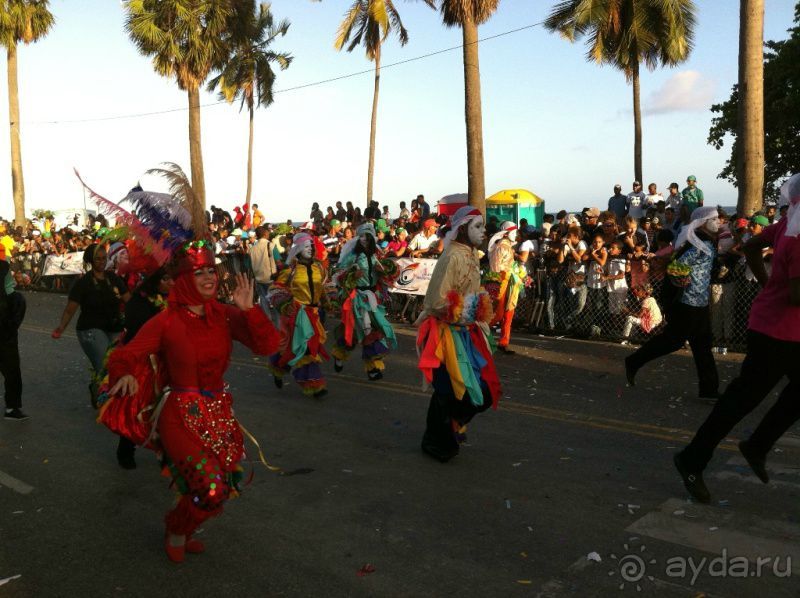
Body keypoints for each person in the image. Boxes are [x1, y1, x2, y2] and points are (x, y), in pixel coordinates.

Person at [107, 242, 280, 563]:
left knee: (217, 487)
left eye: (211, 271)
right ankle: (176, 529)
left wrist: (248, 310)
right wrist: (125, 373)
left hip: (218, 413)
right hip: (178, 415)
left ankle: (183, 529)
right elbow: (125, 354)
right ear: (184, 279)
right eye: (199, 273)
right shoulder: (167, 320)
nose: (209, 277)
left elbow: (268, 344)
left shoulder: (223, 315)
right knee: (210, 486)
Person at [674, 174, 800, 503]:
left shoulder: (788, 224)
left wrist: (767, 285)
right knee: (739, 402)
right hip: (778, 333)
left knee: (753, 397)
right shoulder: (797, 234)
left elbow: (753, 246)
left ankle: (757, 445)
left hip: (782, 329)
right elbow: (797, 295)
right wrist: (770, 286)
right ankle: (694, 458)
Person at [417, 206, 501, 462]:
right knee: (446, 390)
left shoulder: (472, 254)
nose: (483, 231)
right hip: (445, 334)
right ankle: (436, 441)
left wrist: (480, 306)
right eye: (477, 226)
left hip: (466, 333)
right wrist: (463, 311)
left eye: (483, 226)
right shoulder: (452, 256)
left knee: (481, 389)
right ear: (463, 229)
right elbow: (435, 301)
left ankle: (450, 427)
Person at [625, 206, 720, 399]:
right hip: (687, 303)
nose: (718, 222)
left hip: (700, 303)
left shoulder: (706, 242)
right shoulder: (699, 244)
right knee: (673, 341)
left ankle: (709, 390)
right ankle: (634, 361)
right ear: (702, 223)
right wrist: (683, 280)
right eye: (714, 219)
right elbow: (676, 267)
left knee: (702, 345)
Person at [52, 244, 131, 405]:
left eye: (104, 258)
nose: (102, 262)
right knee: (104, 365)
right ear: (90, 261)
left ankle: (104, 392)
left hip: (114, 327)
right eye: (98, 259)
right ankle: (103, 398)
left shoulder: (113, 278)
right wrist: (61, 327)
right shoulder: (83, 283)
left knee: (119, 364)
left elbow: (128, 300)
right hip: (91, 328)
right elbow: (70, 309)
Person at [331, 223, 398, 380]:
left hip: (373, 297)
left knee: (367, 330)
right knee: (367, 329)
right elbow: (337, 273)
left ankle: (348, 358)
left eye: (368, 237)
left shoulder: (376, 256)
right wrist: (352, 275)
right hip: (358, 298)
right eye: (362, 237)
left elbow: (389, 272)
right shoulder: (353, 256)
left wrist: (384, 271)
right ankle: (371, 368)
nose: (365, 240)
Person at [267, 233, 329, 397]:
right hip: (297, 314)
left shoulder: (318, 268)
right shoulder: (290, 270)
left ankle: (280, 369)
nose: (310, 250)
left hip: (314, 314)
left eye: (311, 247)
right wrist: (285, 304)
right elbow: (276, 289)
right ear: (299, 249)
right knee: (306, 348)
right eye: (306, 247)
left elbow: (322, 288)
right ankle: (313, 384)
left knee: (301, 347)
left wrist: (329, 303)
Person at [487, 221, 524, 353]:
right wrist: (496, 283)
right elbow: (495, 267)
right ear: (506, 233)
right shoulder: (501, 247)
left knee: (509, 312)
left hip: (511, 282)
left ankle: (504, 342)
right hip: (501, 282)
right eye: (513, 232)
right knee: (498, 313)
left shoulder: (508, 246)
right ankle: (479, 335)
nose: (516, 234)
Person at [0, 258, 26, 420]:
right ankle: (12, 408)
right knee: (12, 372)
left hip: (6, 337)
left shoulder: (14, 298)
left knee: (12, 372)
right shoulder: (15, 298)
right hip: (6, 338)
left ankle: (12, 407)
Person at [249, 226, 277, 318]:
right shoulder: (271, 245)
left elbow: (249, 265)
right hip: (271, 278)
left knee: (263, 299)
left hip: (258, 278)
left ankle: (267, 319)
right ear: (265, 234)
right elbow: (278, 261)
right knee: (275, 300)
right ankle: (276, 322)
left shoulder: (252, 249)